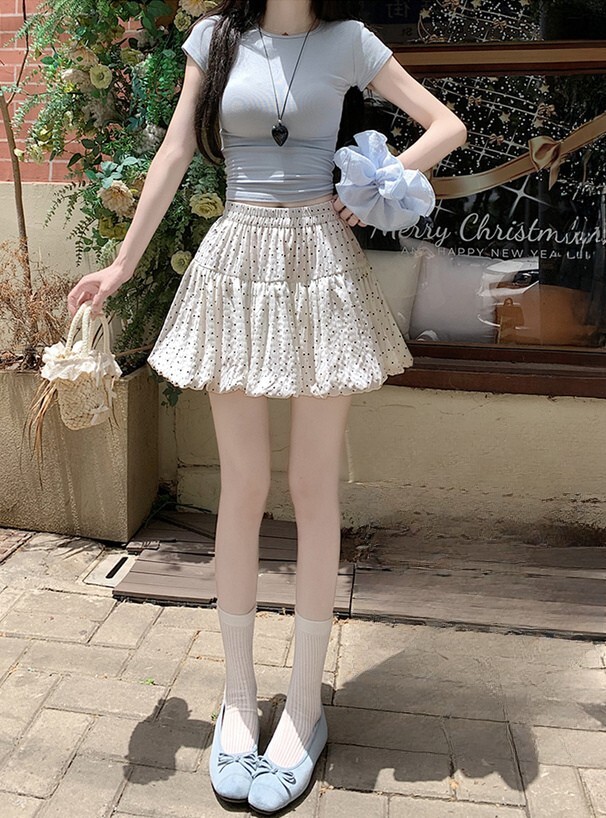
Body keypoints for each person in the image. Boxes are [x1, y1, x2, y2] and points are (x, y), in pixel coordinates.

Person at [67, 0, 466, 812]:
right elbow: (176, 150)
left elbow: (446, 125)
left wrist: (382, 182)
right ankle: (240, 702)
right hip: (236, 260)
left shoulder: (348, 41)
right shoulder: (214, 38)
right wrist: (121, 266)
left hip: (321, 262)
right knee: (243, 488)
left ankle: (306, 707)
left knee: (313, 490)